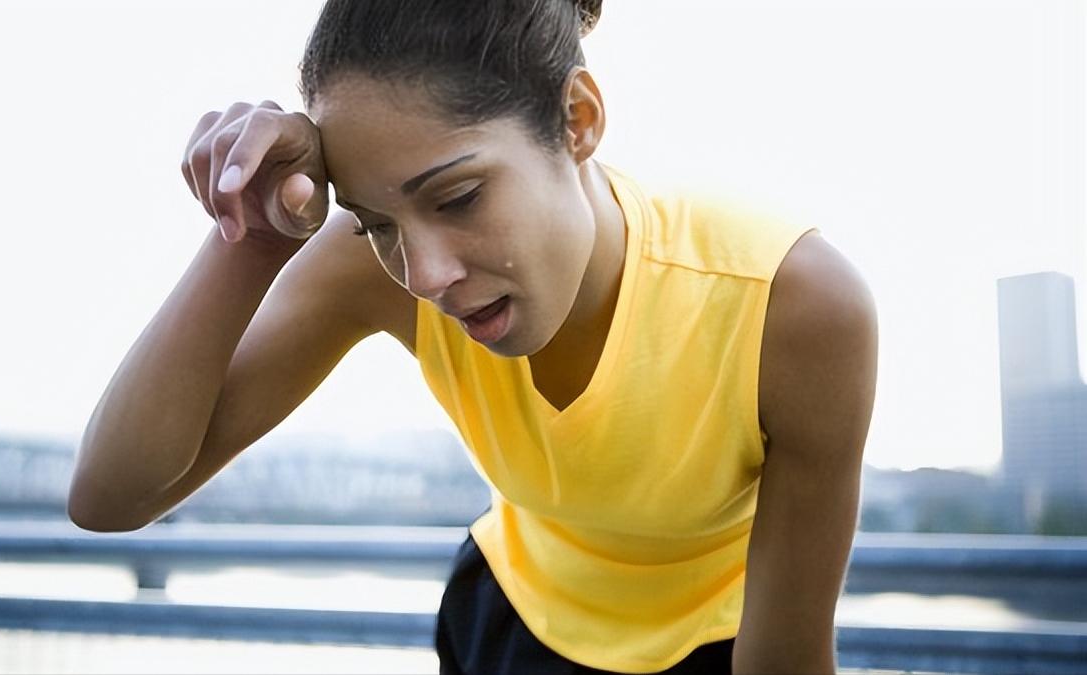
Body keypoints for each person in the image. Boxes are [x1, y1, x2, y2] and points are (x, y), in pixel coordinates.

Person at [67, 1, 879, 673]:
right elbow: (111, 496)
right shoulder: (367, 270)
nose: (421, 275)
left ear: (579, 119)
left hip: (712, 646)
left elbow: (785, 661)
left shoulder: (794, 309)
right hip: (504, 628)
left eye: (457, 198)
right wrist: (253, 235)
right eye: (375, 221)